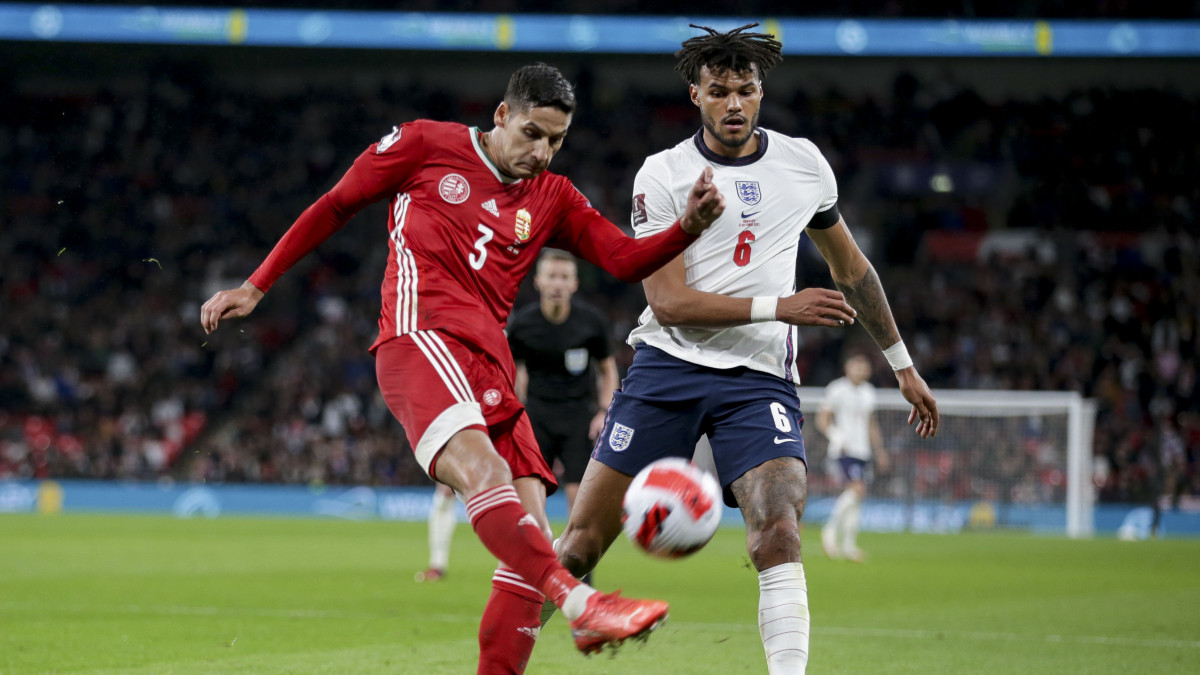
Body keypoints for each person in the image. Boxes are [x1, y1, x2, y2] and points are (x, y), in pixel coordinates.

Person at [200, 63, 725, 672]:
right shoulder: (425, 144)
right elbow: (336, 204)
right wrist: (257, 285)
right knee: (485, 476)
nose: (543, 153)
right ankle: (583, 604)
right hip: (419, 339)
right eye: (532, 134)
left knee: (531, 560)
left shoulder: (552, 196)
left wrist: (686, 227)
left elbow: (622, 258)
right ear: (501, 116)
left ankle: (550, 615)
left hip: (490, 368)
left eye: (556, 140)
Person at [551, 25, 939, 675]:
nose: (735, 103)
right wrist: (780, 306)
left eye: (747, 90)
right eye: (721, 91)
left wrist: (902, 364)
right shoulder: (665, 173)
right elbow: (669, 302)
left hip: (758, 379)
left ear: (762, 92)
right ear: (696, 94)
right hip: (667, 368)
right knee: (580, 546)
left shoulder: (802, 165)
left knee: (779, 526)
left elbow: (853, 270)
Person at [509, 249, 618, 520]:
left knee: (578, 496)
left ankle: (577, 561)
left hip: (579, 416)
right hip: (536, 415)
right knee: (533, 490)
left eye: (564, 277)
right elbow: (511, 369)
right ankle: (535, 556)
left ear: (574, 284)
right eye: (552, 276)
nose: (557, 283)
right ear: (538, 281)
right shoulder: (522, 325)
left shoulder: (591, 322)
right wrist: (517, 407)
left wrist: (604, 411)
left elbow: (608, 369)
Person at [817, 354, 889, 562]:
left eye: (863, 366)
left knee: (858, 497)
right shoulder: (837, 389)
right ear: (847, 368)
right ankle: (829, 531)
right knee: (857, 489)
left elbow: (871, 425)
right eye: (855, 366)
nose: (859, 370)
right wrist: (837, 437)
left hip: (863, 451)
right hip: (844, 450)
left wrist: (880, 451)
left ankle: (848, 546)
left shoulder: (869, 392)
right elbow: (823, 419)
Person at [417, 483, 458, 582]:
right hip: (443, 505)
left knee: (440, 539)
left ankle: (437, 567)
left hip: (445, 505)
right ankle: (436, 566)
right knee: (436, 539)